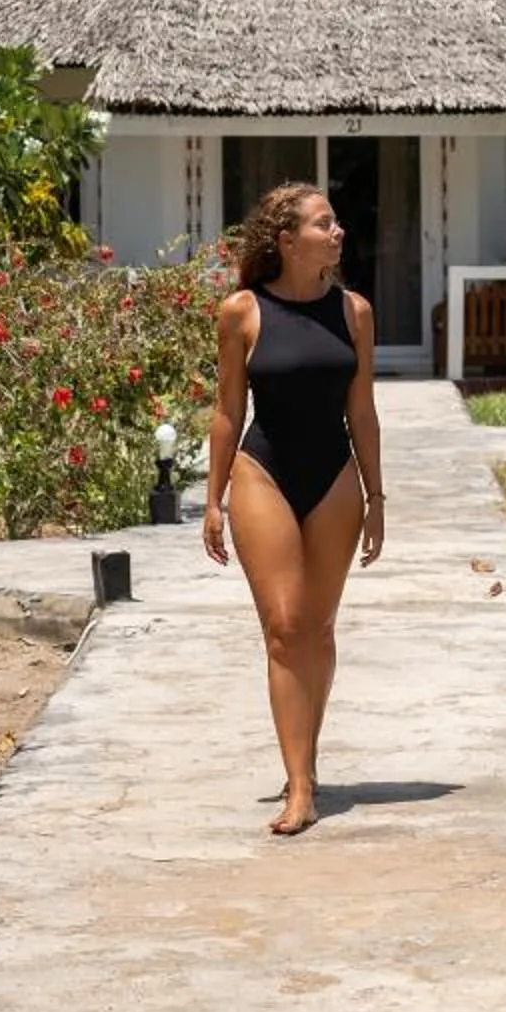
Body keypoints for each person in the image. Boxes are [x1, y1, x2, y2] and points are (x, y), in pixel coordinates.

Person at [204, 182, 384, 835]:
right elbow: (228, 411)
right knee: (284, 628)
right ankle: (301, 788)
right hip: (263, 472)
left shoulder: (355, 312)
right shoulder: (242, 311)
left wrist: (377, 497)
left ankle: (304, 760)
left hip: (335, 477)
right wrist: (213, 500)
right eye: (323, 224)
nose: (338, 232)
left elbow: (362, 411)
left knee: (319, 628)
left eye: (335, 223)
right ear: (287, 240)